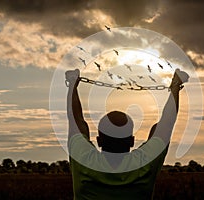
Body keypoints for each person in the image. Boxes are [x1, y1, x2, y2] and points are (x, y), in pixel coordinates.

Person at [66, 68, 189, 200]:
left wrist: (73, 83)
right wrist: (175, 86)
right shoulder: (144, 164)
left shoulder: (84, 159)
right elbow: (164, 126)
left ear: (99, 141)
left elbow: (76, 121)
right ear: (131, 141)